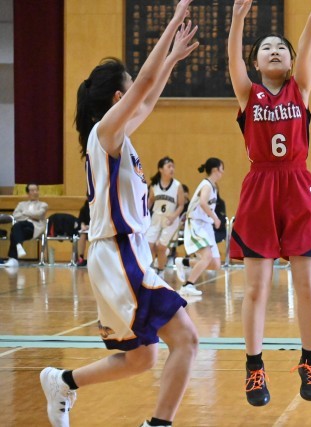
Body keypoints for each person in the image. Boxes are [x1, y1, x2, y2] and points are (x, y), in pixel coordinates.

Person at [40, 3, 200, 426]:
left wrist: (172, 59)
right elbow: (143, 85)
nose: (136, 97)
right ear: (117, 98)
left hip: (123, 254)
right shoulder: (106, 132)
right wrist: (171, 24)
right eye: (128, 91)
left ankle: (62, 382)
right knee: (186, 339)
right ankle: (158, 425)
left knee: (142, 358)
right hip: (118, 253)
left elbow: (147, 96)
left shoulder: (117, 135)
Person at [228, 0, 311, 406]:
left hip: (298, 184)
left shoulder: (299, 89)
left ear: (290, 63)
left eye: (281, 48)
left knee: (307, 284)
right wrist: (238, 19)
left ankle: (310, 361)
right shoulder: (247, 94)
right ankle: (254, 368)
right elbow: (233, 58)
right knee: (256, 288)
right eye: (266, 48)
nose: (275, 51)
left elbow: (307, 49)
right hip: (260, 186)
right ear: (255, 63)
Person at [175, 158, 224, 297]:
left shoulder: (213, 186)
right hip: (196, 223)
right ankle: (187, 285)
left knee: (215, 264)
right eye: (222, 169)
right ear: (215, 170)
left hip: (206, 225)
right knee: (207, 256)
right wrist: (215, 218)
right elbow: (203, 202)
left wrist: (212, 218)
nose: (223, 172)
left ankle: (183, 262)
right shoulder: (207, 185)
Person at [146, 156, 185, 279]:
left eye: (173, 166)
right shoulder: (154, 185)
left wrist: (174, 216)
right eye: (169, 166)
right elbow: (150, 200)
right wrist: (143, 214)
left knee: (161, 247)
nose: (172, 169)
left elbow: (181, 205)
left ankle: (161, 270)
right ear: (161, 169)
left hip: (170, 219)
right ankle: (149, 269)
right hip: (156, 218)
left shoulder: (177, 185)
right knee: (149, 245)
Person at [0, 183, 48, 267]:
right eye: (32, 190)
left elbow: (39, 214)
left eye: (36, 190)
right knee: (16, 230)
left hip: (35, 228)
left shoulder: (43, 205)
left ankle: (13, 257)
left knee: (15, 228)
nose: (35, 192)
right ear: (28, 193)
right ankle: (17, 251)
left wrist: (24, 213)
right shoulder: (21, 204)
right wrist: (32, 216)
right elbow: (15, 215)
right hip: (23, 229)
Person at [76, 196, 90, 267]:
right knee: (82, 234)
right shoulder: (84, 209)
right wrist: (83, 226)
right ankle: (81, 257)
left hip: (98, 230)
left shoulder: (100, 207)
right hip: (87, 231)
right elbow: (81, 221)